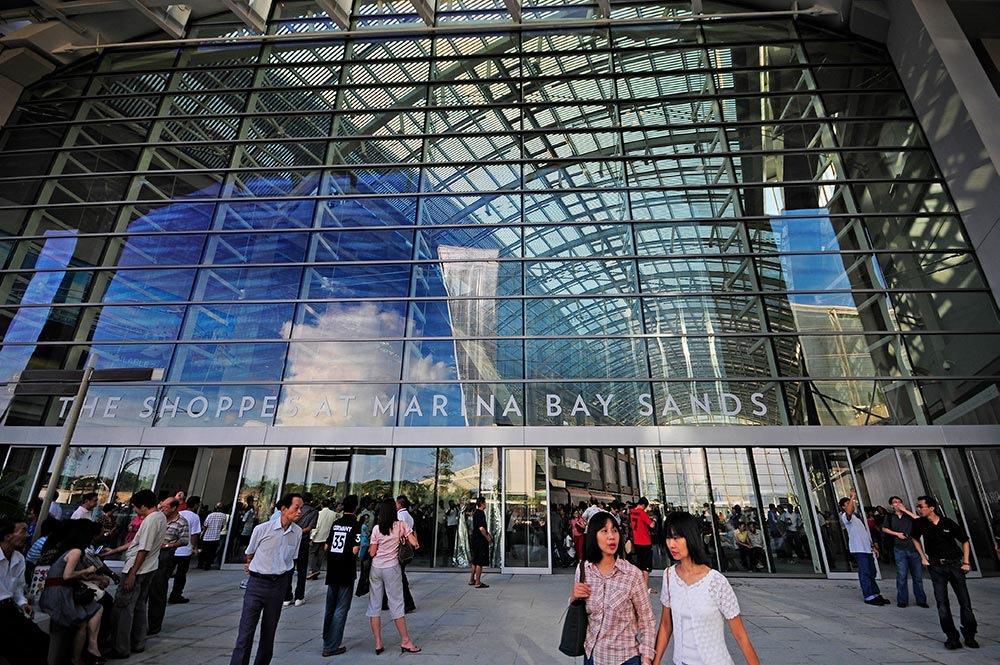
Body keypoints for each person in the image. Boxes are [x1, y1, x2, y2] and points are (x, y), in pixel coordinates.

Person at [653, 511, 760, 665]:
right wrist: (655, 661)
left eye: (676, 537)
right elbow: (665, 625)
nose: (671, 544)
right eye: (668, 537)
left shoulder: (716, 581)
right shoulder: (669, 577)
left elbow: (740, 635)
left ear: (691, 537)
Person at [569, 512, 655, 665]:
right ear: (593, 536)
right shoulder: (583, 570)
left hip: (625, 659)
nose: (611, 536)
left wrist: (647, 658)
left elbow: (647, 619)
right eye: (604, 531)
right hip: (592, 657)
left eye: (614, 530)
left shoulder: (632, 574)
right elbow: (579, 610)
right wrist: (574, 597)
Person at [230, 493, 303, 665]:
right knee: (245, 632)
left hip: (278, 585)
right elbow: (250, 553)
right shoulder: (262, 529)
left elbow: (292, 558)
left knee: (269, 632)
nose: (300, 512)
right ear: (284, 509)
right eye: (296, 508)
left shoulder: (297, 532)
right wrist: (252, 565)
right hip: (257, 583)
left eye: (301, 508)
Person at [99, 489, 167, 659]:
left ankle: (120, 647)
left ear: (143, 506)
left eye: (135, 507)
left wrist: (132, 573)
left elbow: (143, 549)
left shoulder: (151, 520)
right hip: (149, 567)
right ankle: (138, 642)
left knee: (123, 607)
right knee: (139, 606)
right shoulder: (160, 517)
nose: (135, 511)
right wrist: (114, 550)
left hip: (138, 568)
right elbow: (137, 543)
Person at [911, 495, 979, 650]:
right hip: (936, 566)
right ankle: (952, 637)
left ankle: (970, 635)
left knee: (965, 601)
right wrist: (923, 557)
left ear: (931, 508)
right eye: (918, 507)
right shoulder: (919, 523)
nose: (918, 509)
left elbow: (965, 540)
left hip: (955, 564)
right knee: (942, 602)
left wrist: (966, 562)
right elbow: (915, 538)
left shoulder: (947, 522)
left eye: (921, 506)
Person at [39, 519, 107, 665]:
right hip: (59, 596)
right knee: (84, 620)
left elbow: (76, 575)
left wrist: (96, 576)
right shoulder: (76, 552)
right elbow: (68, 575)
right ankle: (83, 654)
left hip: (60, 593)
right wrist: (87, 570)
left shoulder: (69, 550)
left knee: (94, 611)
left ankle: (90, 648)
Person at [366, 498, 421, 655]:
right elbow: (414, 542)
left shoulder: (376, 529)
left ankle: (378, 642)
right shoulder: (400, 526)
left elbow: (372, 552)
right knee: (396, 603)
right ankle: (405, 640)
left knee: (374, 605)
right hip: (392, 568)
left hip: (376, 568)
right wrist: (412, 539)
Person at [0, 517, 50, 665]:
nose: (27, 535)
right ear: (8, 536)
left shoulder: (19, 558)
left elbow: (18, 587)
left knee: (42, 639)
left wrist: (22, 603)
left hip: (8, 608)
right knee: (20, 649)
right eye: (22, 531)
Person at [321, 494, 362, 657]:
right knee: (341, 607)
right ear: (356, 508)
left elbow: (326, 546)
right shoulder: (356, 525)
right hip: (346, 569)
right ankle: (331, 645)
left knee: (330, 606)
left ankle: (327, 638)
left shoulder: (336, 523)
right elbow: (355, 549)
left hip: (333, 568)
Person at [838, 490, 888, 606]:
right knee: (865, 572)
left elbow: (864, 534)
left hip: (866, 548)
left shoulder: (857, 518)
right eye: (847, 503)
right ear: (843, 507)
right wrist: (852, 497)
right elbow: (849, 511)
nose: (851, 505)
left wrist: (872, 546)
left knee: (872, 572)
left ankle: (875, 593)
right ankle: (868, 596)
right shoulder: (845, 517)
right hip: (858, 549)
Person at [146, 498, 188, 636]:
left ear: (174, 508)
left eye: (165, 507)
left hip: (164, 556)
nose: (162, 509)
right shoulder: (157, 518)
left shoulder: (181, 522)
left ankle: (154, 625)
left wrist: (168, 545)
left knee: (158, 591)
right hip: (149, 554)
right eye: (161, 506)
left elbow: (184, 540)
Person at [882, 495, 928, 609]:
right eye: (895, 502)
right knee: (902, 576)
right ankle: (902, 600)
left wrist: (905, 511)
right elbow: (884, 529)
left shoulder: (909, 516)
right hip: (899, 549)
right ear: (892, 506)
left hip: (914, 549)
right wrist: (897, 534)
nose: (897, 503)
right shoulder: (890, 517)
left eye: (899, 501)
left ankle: (921, 600)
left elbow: (919, 521)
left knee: (917, 577)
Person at [285, 492, 315, 607]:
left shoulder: (294, 509)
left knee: (289, 568)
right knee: (302, 571)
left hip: (291, 540)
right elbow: (310, 527)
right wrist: (299, 532)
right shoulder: (313, 512)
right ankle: (299, 597)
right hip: (303, 541)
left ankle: (287, 596)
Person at [170, 496, 201, 604]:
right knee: (181, 574)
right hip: (185, 549)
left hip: (173, 547)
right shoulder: (195, 517)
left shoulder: (179, 514)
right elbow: (194, 534)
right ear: (196, 505)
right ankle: (176, 595)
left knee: (167, 572)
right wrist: (195, 547)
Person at [393, 495, 416, 612]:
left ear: (400, 504)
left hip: (400, 546)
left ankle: (407, 603)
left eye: (396, 503)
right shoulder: (409, 516)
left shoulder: (400, 515)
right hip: (407, 546)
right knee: (400, 573)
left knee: (398, 574)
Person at [308, 498, 336, 580]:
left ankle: (314, 569)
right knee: (321, 554)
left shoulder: (319, 513)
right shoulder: (334, 514)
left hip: (317, 537)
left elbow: (316, 526)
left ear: (321, 505)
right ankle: (317, 569)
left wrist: (312, 537)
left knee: (312, 553)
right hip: (327, 537)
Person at [630, 497, 655, 590]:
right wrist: (654, 520)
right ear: (644, 505)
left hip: (637, 541)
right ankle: (645, 587)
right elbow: (651, 525)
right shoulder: (642, 513)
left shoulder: (632, 512)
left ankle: (640, 586)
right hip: (645, 541)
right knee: (646, 566)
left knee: (640, 565)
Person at [469, 496, 493, 588]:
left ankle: (472, 579)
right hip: (480, 540)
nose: (485, 504)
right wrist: (487, 537)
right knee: (480, 562)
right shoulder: (481, 514)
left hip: (475, 540)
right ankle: (478, 582)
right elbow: (481, 528)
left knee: (474, 561)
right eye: (485, 503)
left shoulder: (475, 513)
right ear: (482, 503)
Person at [199, 503, 226, 570]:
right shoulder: (223, 516)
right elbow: (222, 526)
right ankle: (207, 565)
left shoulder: (210, 515)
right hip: (216, 536)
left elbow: (205, 525)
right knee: (212, 552)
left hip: (207, 536)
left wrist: (202, 534)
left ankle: (201, 563)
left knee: (204, 551)